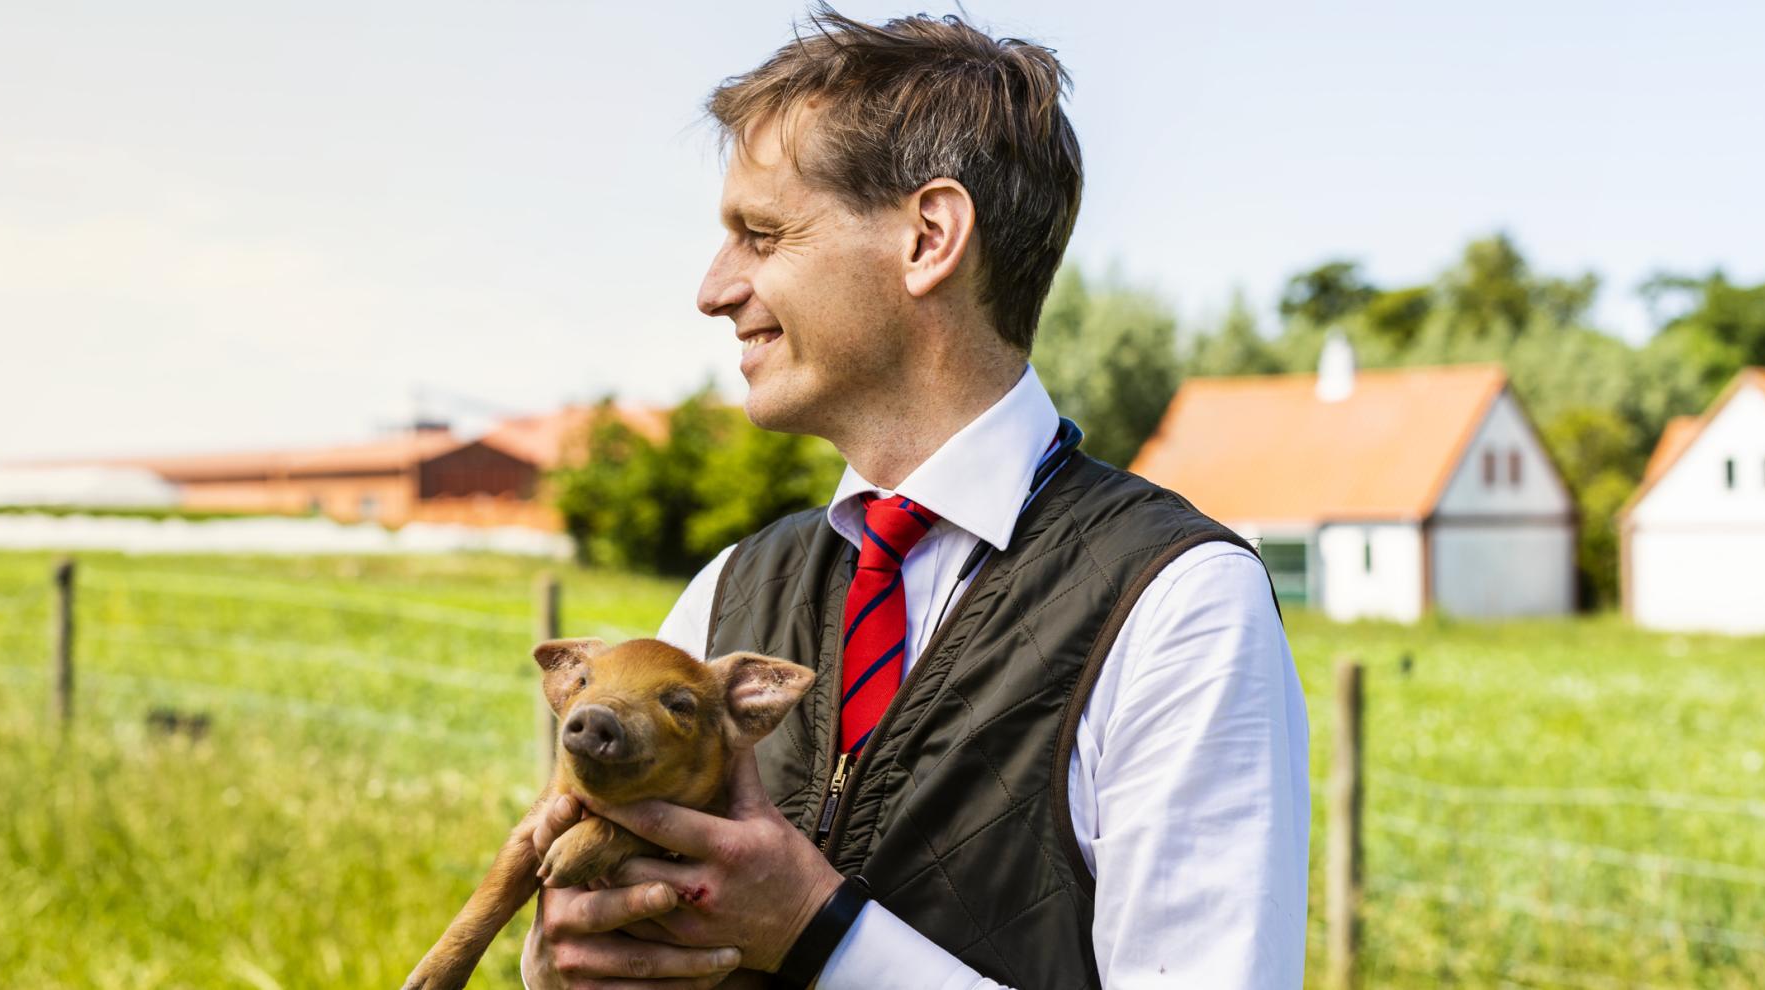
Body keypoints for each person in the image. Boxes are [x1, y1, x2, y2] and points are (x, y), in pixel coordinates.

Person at [523, 7, 1309, 988]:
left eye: (760, 235)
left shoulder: (1177, 604)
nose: (713, 288)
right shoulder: (728, 588)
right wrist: (565, 954)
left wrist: (818, 931)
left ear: (928, 237)